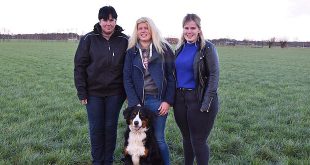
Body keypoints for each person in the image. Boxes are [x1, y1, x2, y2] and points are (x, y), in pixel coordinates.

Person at [73, 6, 128, 165]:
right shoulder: (88, 39)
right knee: (96, 129)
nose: (108, 23)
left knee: (110, 128)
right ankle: (97, 161)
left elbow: (129, 67)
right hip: (93, 93)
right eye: (105, 20)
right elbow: (79, 66)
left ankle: (108, 160)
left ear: (116, 21)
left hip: (115, 94)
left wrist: (127, 94)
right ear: (100, 20)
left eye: (111, 20)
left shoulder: (124, 40)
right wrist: (81, 92)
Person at [123, 17, 175, 165]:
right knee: (135, 140)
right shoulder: (131, 52)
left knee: (158, 138)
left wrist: (167, 101)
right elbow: (127, 78)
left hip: (157, 101)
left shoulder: (163, 49)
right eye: (140, 28)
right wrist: (134, 103)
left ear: (152, 30)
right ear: (136, 31)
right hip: (138, 101)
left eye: (146, 28)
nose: (143, 31)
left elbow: (172, 77)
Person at [173, 14, 220, 165]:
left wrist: (206, 103)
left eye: (193, 28)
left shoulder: (207, 48)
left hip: (199, 99)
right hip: (180, 100)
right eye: (186, 28)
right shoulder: (179, 48)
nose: (189, 31)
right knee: (186, 139)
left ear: (199, 29)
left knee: (198, 141)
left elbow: (214, 75)